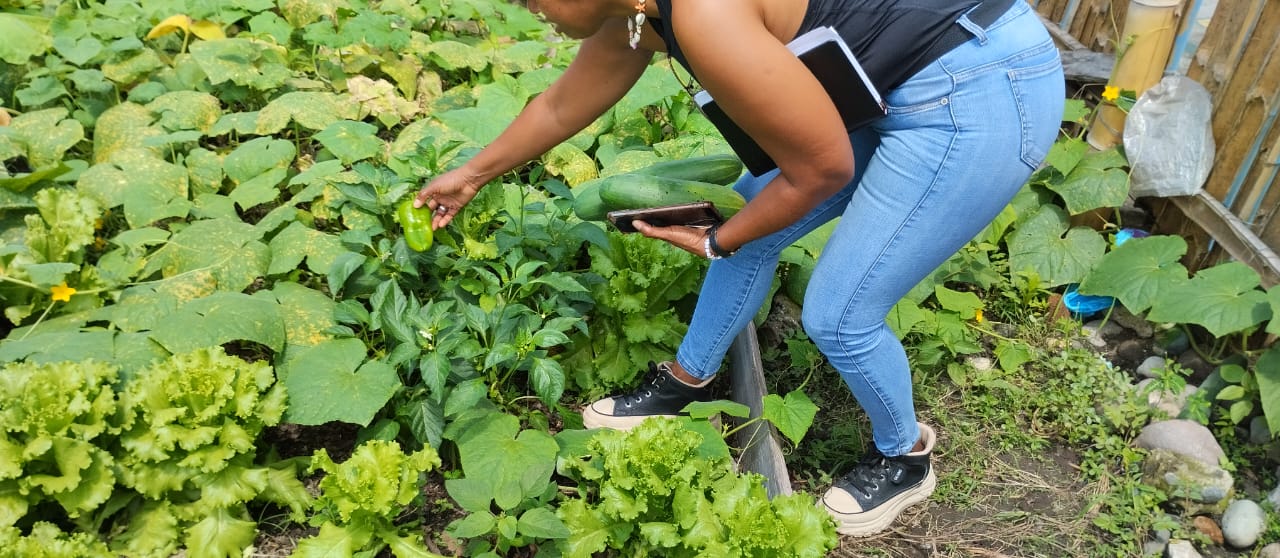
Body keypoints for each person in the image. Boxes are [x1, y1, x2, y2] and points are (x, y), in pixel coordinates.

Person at [415, 0, 1064, 537]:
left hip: (980, 88)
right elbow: (560, 107)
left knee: (839, 314)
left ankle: (905, 456)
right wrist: (471, 175)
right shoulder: (637, 15)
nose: (524, 4)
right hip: (899, 73)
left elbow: (821, 170)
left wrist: (718, 240)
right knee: (755, 217)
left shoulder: (704, 15)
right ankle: (686, 382)